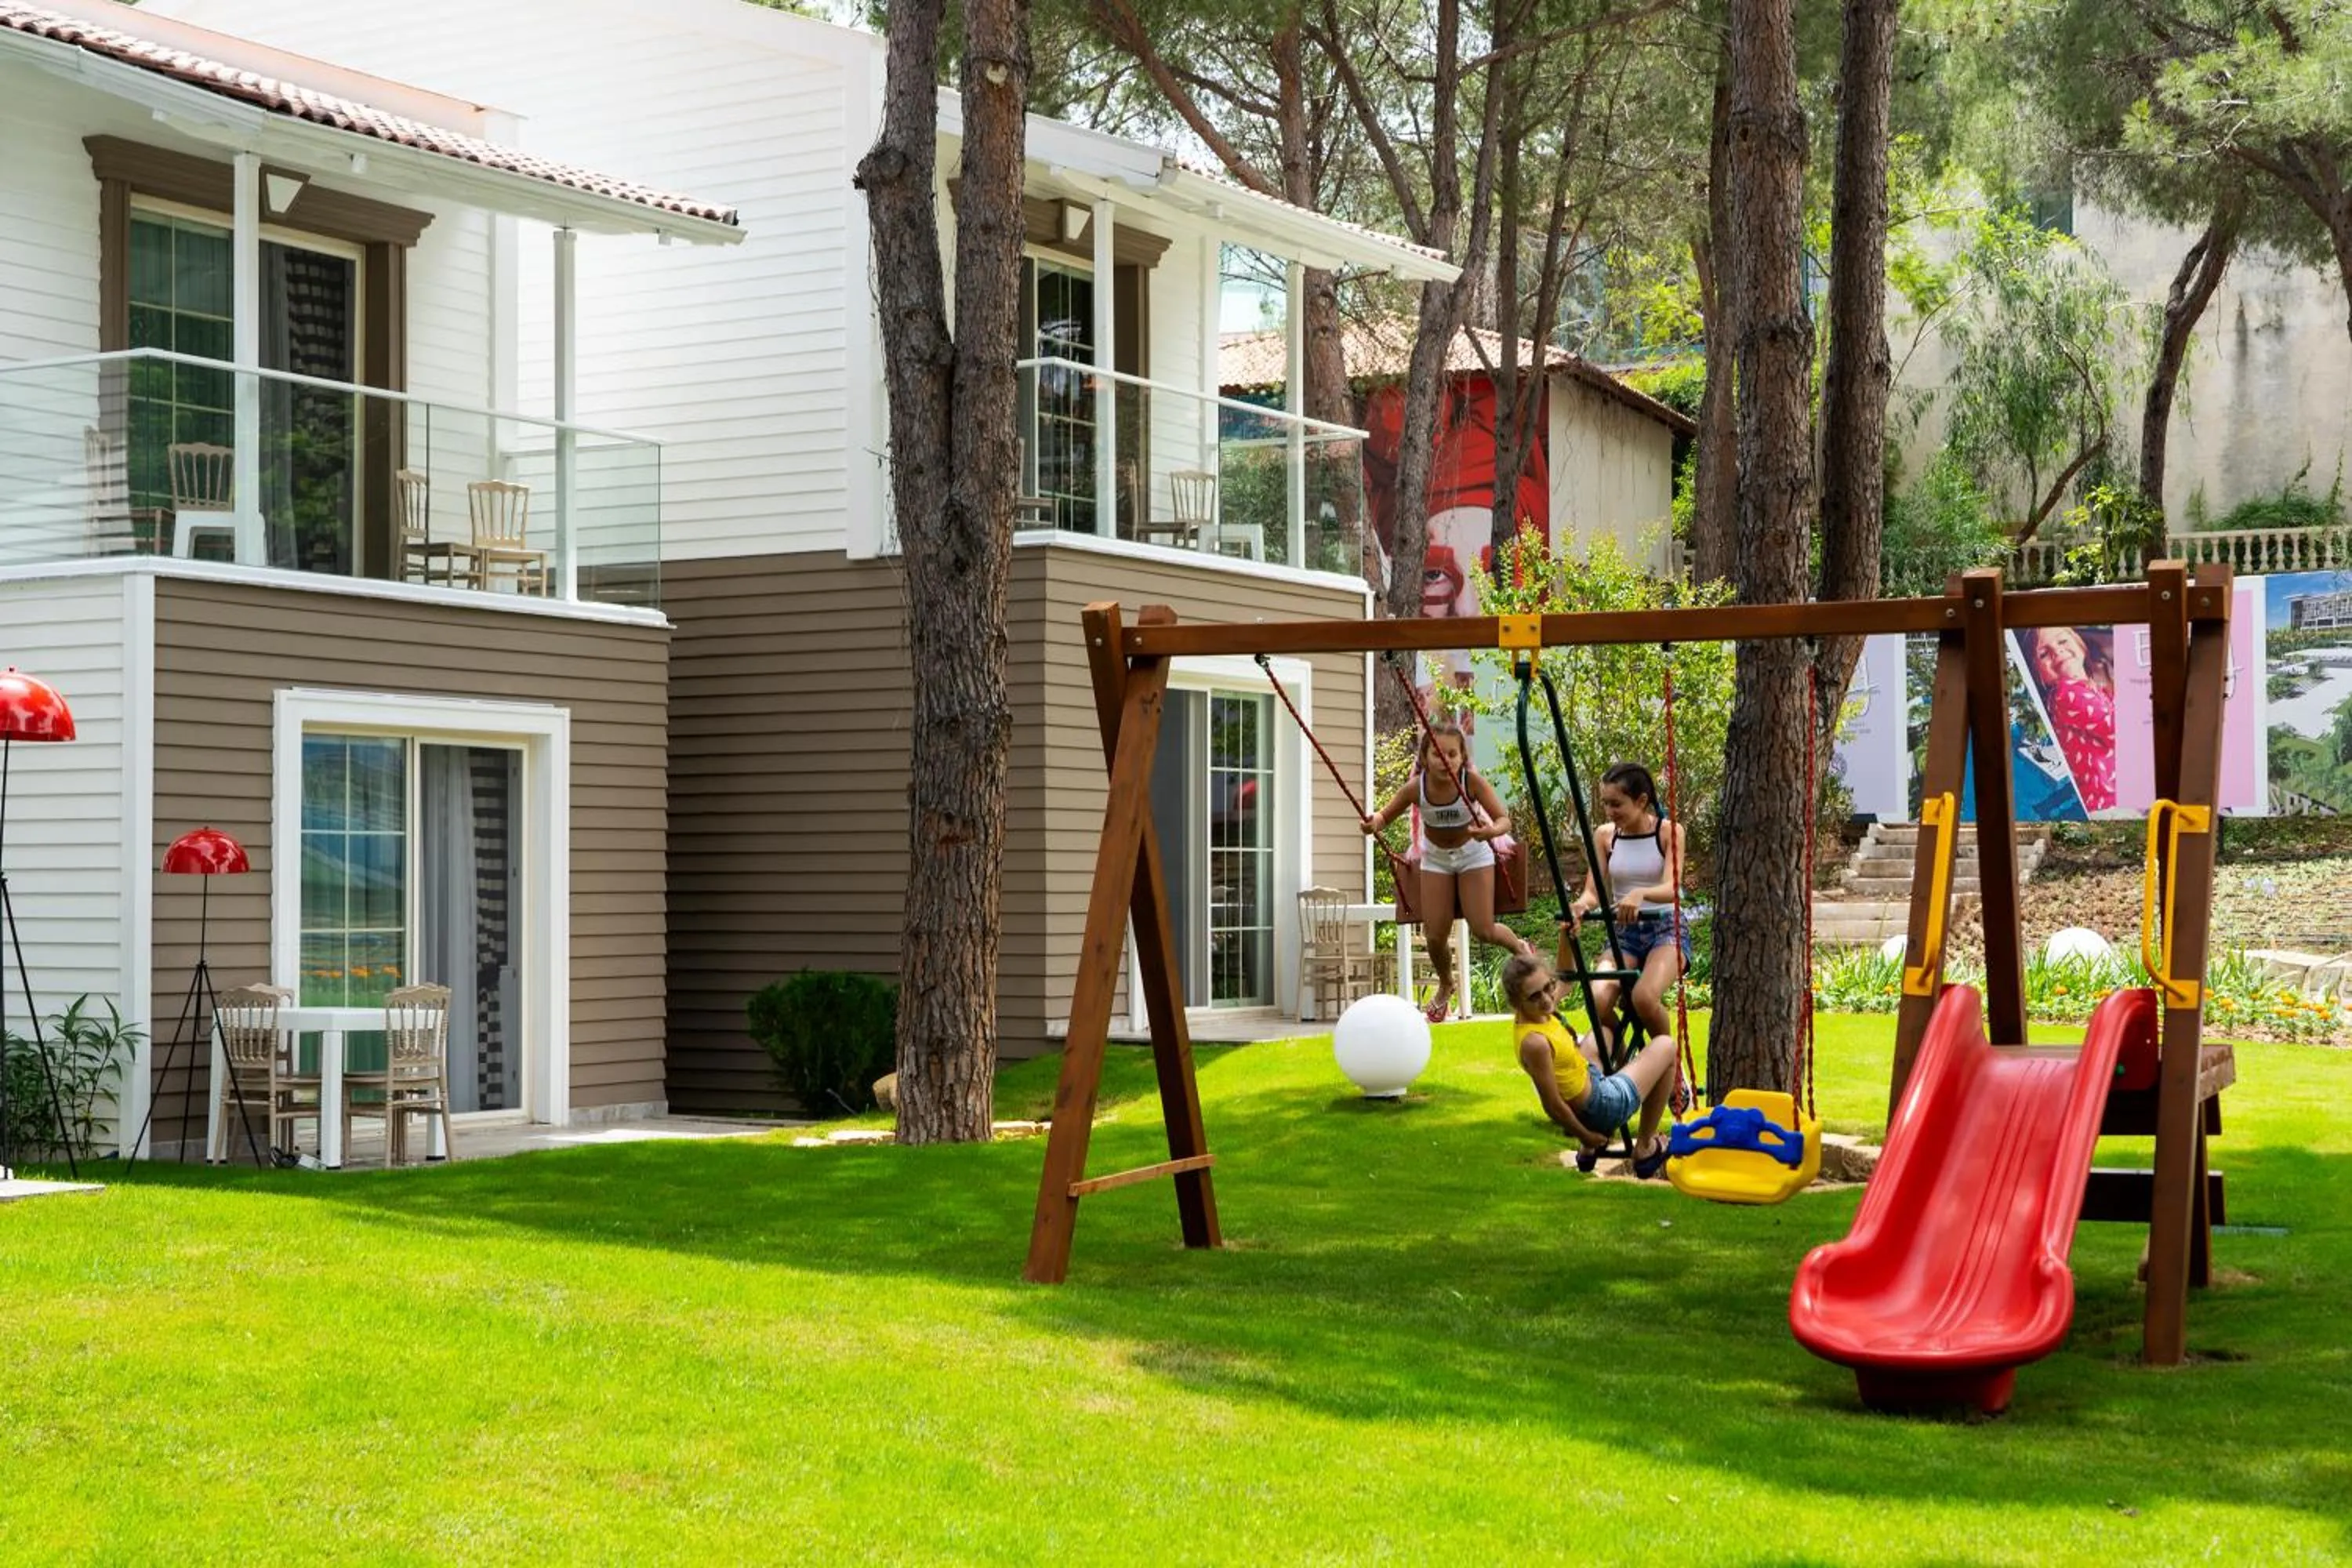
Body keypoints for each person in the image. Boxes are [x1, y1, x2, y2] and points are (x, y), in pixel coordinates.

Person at [1363, 717, 1534, 1022]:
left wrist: (1490, 832)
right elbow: (1384, 816)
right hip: (1437, 859)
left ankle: (1519, 946)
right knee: (1434, 934)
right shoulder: (1416, 788)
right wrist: (1373, 821)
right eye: (1437, 755)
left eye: (1452, 754)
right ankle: (1446, 983)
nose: (1445, 761)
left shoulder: (1473, 783)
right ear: (1425, 759)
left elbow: (1504, 819)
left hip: (1473, 854)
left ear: (1462, 757)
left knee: (1483, 929)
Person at [1504, 952, 1679, 1178]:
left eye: (1549, 987)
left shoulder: (1540, 1011)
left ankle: (1600, 1133)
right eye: (1534, 996)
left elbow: (1566, 975)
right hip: (1599, 1106)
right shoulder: (1535, 1043)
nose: (1547, 999)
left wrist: (1569, 928)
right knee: (1666, 1046)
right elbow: (1553, 1105)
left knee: (1606, 1033)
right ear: (1517, 1002)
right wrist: (1585, 1136)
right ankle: (1645, 1148)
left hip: (1588, 1078)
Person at [1565, 761, 1690, 1066]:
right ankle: (1624, 1068)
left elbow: (1673, 887)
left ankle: (1670, 1071)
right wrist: (1581, 905)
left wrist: (1641, 894)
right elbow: (1593, 891)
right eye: (1606, 803)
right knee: (1597, 1001)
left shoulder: (1668, 832)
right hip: (1625, 934)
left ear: (1642, 801)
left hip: (1665, 929)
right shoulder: (1606, 836)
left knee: (1644, 999)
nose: (1609, 811)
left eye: (1616, 804)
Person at [2028, 626, 2118, 812]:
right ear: (2038, 672)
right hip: (2106, 803)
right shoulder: (2066, 693)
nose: (2057, 651)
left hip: (2109, 797)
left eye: (2062, 641)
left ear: (2080, 644)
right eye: (2044, 654)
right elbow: (2116, 730)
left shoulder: (2087, 688)